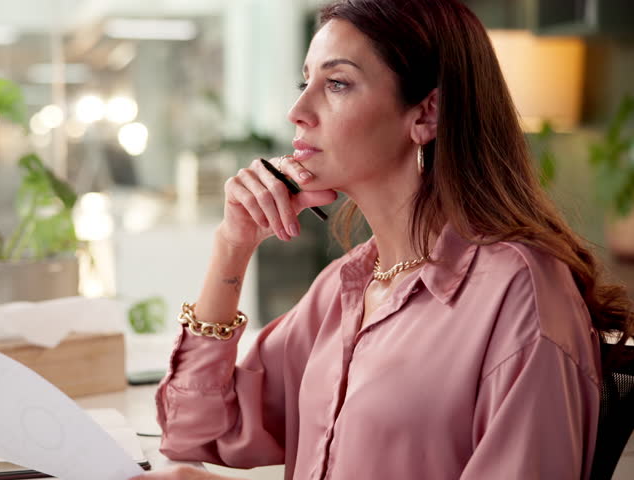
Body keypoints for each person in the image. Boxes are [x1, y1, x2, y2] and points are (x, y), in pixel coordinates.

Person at [131, 0, 634, 479]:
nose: (298, 110)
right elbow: (194, 431)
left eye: (338, 84)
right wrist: (232, 246)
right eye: (305, 81)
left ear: (426, 114)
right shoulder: (345, 286)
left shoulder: (519, 294)